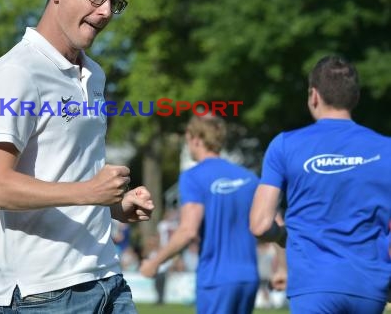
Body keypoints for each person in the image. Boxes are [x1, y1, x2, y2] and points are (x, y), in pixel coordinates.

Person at [0, 0, 154, 313]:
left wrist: (115, 205)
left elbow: (67, 177)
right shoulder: (16, 73)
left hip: (107, 277)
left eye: (113, 2)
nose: (105, 12)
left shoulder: (95, 74)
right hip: (46, 293)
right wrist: (91, 192)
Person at [250, 55, 391, 313]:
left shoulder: (284, 145)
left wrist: (282, 235)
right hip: (370, 286)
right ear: (355, 97)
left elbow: (259, 225)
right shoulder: (387, 149)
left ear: (313, 95)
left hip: (313, 285)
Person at [140, 116, 260, 314]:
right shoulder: (249, 178)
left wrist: (154, 262)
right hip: (249, 277)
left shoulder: (193, 176)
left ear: (196, 139)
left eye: (187, 140)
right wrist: (282, 268)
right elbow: (273, 223)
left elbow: (188, 230)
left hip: (216, 278)